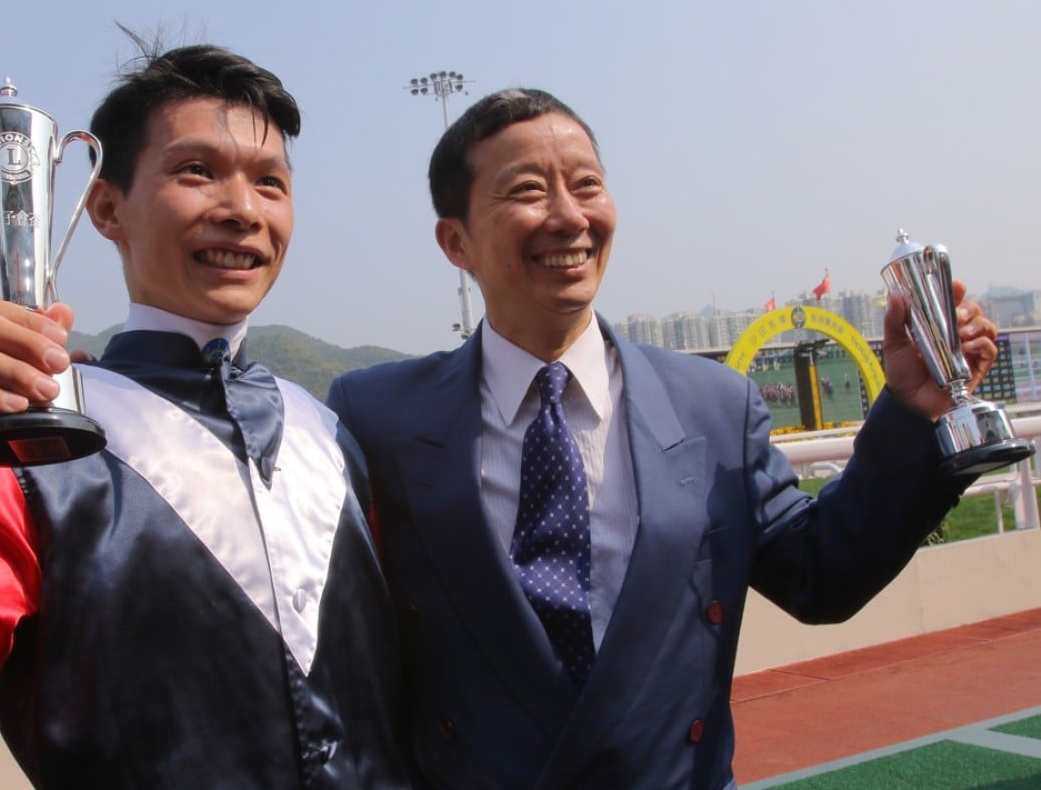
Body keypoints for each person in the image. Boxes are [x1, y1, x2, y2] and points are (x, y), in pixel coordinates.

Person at [326, 88, 998, 789]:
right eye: (527, 190)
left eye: (587, 184)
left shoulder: (712, 404)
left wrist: (915, 409)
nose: (569, 215)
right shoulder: (379, 417)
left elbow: (821, 576)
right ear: (455, 241)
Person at [0, 40, 411, 789]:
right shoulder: (42, 451)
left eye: (271, 183)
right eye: (196, 171)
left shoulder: (331, 432)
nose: (242, 210)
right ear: (105, 208)